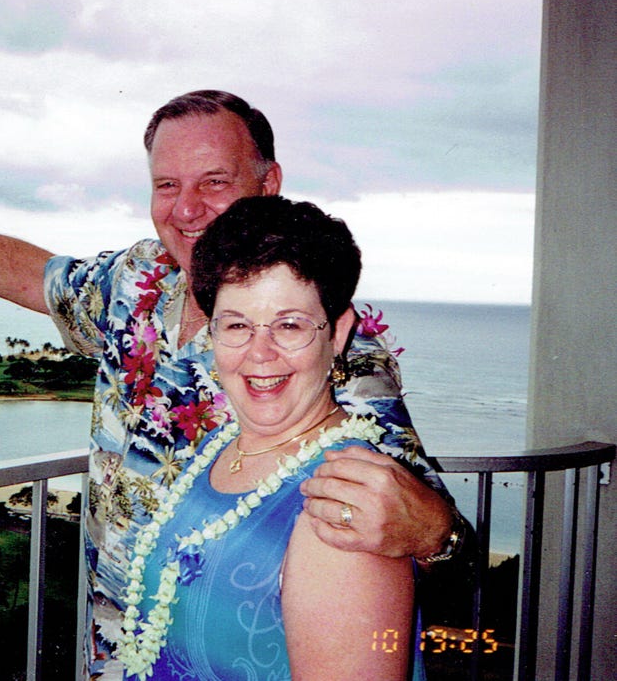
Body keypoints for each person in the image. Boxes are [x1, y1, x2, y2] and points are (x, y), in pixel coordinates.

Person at [0, 90, 462, 677]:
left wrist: (437, 534)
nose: (186, 209)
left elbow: (410, 521)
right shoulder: (138, 278)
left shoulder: (333, 352)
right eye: (167, 185)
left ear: (268, 184)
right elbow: (39, 278)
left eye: (214, 182)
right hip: (113, 645)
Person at [114, 194, 423, 680]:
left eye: (290, 325)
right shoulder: (221, 446)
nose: (260, 353)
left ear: (338, 333)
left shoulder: (343, 507)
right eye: (237, 324)